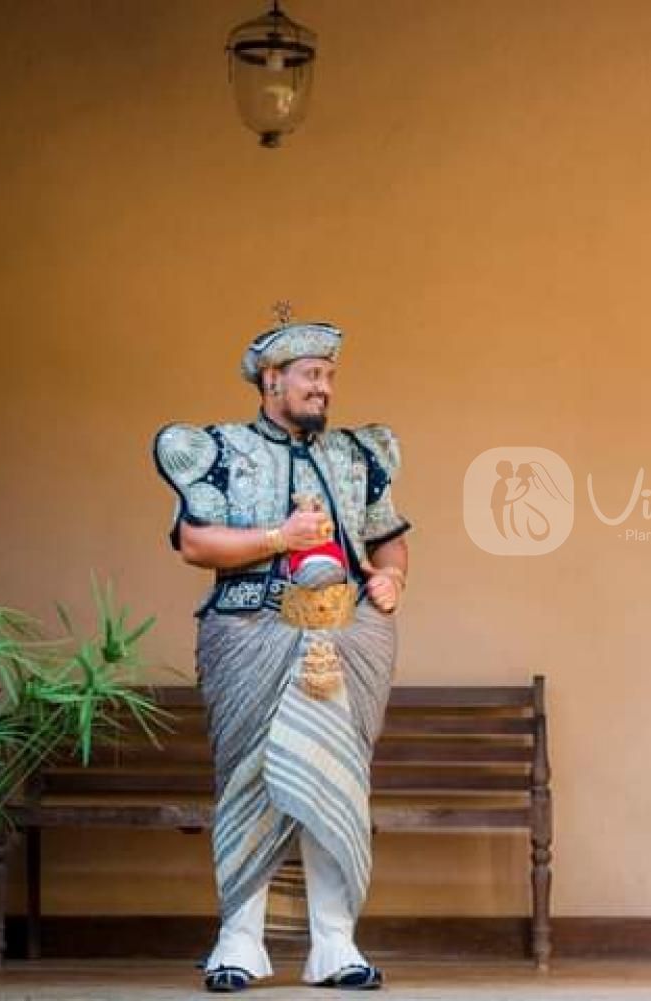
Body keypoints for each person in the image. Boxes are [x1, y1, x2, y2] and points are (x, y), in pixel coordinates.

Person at [152, 317, 410, 992]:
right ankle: (238, 941)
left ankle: (335, 944)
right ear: (272, 380)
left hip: (348, 636)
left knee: (335, 778)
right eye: (311, 375)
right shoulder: (219, 449)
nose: (325, 387)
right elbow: (195, 543)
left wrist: (393, 577)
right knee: (252, 777)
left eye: (329, 376)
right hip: (248, 630)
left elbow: (386, 537)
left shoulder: (357, 454)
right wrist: (279, 537)